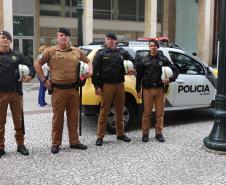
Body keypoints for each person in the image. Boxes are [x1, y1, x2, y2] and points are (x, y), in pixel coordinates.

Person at [34, 27, 93, 154]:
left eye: (66, 35)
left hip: (73, 89)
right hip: (58, 90)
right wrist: (44, 81)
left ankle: (74, 141)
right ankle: (56, 143)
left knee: (73, 117)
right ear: (57, 37)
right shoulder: (50, 51)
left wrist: (90, 71)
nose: (63, 37)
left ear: (69, 38)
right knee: (58, 118)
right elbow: (37, 64)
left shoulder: (77, 51)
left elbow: (88, 61)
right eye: (61, 35)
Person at [92, 32, 135, 146]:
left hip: (120, 84)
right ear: (105, 40)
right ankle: (100, 136)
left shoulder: (122, 52)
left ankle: (120, 134)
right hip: (106, 86)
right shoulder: (100, 53)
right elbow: (95, 71)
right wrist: (96, 86)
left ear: (116, 41)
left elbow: (133, 61)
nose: (110, 41)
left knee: (120, 110)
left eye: (112, 39)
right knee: (104, 110)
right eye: (108, 39)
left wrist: (132, 69)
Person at [0, 30, 35, 157]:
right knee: (0, 122)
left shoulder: (17, 54)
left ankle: (20, 144)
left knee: (18, 120)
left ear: (10, 41)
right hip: (1, 93)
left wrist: (30, 76)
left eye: (7, 38)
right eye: (2, 37)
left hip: (16, 93)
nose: (5, 40)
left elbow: (30, 66)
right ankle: (1, 147)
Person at [136, 39, 178, 142]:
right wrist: (138, 90)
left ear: (157, 47)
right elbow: (139, 77)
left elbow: (175, 70)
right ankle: (145, 134)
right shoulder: (144, 60)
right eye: (151, 46)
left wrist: (170, 79)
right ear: (149, 47)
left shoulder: (163, 59)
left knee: (160, 113)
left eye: (154, 45)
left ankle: (159, 133)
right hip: (147, 90)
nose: (153, 47)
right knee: (146, 113)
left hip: (160, 89)